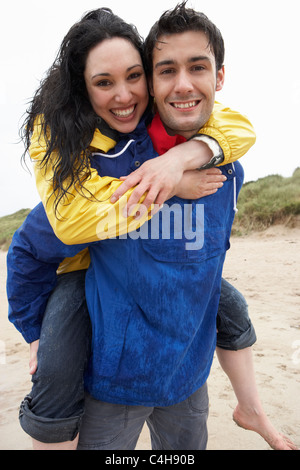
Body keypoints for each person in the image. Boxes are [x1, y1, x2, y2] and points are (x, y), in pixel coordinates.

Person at [7, 5, 295, 450]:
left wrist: (181, 158)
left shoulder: (223, 163)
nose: (124, 95)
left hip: (188, 376)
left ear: (219, 77)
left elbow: (237, 128)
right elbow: (45, 236)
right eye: (104, 82)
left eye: (133, 76)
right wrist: (33, 332)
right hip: (111, 374)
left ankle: (250, 406)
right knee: (56, 357)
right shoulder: (93, 169)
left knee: (228, 300)